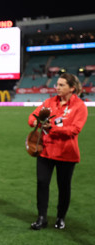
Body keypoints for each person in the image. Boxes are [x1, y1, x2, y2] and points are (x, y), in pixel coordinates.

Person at [28, 72, 88, 230]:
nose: (57, 87)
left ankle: (61, 217)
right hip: (46, 151)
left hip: (66, 153)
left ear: (72, 88)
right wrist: (36, 120)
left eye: (62, 85)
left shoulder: (79, 106)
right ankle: (42, 218)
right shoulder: (49, 102)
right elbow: (32, 117)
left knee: (64, 187)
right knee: (42, 183)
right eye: (57, 84)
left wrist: (52, 128)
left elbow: (74, 130)